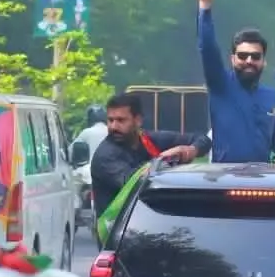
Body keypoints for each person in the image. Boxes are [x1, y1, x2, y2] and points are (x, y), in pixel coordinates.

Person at [195, 0, 275, 164]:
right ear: (232, 58)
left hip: (263, 186)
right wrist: (205, 6)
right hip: (224, 184)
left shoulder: (270, 96)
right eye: (243, 55)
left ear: (264, 61)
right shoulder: (220, 85)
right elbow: (207, 48)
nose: (249, 61)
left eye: (255, 57)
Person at [90, 93, 211, 223]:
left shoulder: (149, 140)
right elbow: (135, 183)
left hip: (151, 223)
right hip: (119, 232)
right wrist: (169, 158)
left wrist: (191, 150)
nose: (113, 126)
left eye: (121, 120)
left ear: (138, 120)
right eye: (110, 120)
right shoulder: (106, 156)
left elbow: (203, 139)